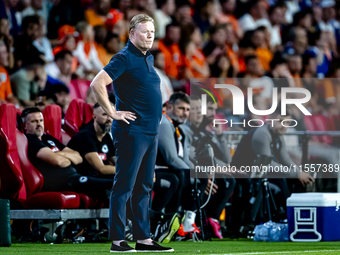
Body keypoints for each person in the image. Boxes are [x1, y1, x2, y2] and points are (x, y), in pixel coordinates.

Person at [90, 14, 173, 252]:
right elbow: (97, 83)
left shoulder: (147, 58)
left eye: (152, 32)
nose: (150, 35)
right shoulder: (124, 57)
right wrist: (113, 112)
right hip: (132, 131)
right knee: (124, 185)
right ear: (132, 34)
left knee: (144, 185)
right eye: (145, 31)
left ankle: (143, 239)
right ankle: (118, 240)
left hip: (150, 131)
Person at [22, 107, 114, 203]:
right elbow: (58, 161)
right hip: (58, 182)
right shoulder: (30, 140)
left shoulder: (48, 138)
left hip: (72, 178)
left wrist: (57, 154)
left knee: (108, 189)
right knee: (111, 185)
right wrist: (63, 157)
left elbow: (78, 157)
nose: (39, 124)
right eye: (34, 121)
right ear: (25, 126)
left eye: (41, 120)